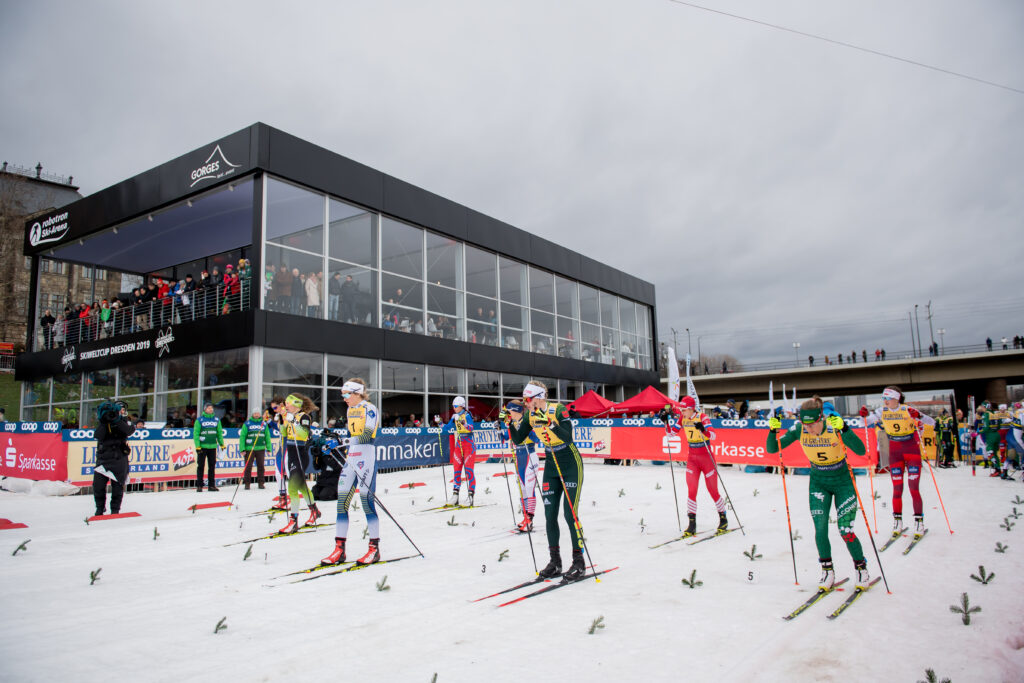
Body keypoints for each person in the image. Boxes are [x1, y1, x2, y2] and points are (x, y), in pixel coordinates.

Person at [767, 396, 871, 590]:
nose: (808, 430)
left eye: (812, 425)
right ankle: (827, 571)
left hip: (843, 482)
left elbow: (860, 449)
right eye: (805, 425)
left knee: (845, 530)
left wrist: (845, 429)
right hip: (818, 482)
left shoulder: (833, 426)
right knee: (820, 530)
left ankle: (861, 567)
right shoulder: (799, 429)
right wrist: (772, 430)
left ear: (820, 419)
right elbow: (772, 448)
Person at [506, 381, 588, 581]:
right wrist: (508, 422)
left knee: (570, 514)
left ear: (540, 397)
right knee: (550, 514)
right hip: (551, 463)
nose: (526, 403)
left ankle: (579, 562)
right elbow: (518, 439)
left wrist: (550, 423)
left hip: (570, 462)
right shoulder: (529, 415)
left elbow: (568, 436)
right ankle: (555, 562)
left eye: (528, 399)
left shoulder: (557, 409)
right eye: (525, 400)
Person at [860, 386, 935, 539]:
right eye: (884, 398)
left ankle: (919, 522)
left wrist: (919, 417)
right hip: (894, 452)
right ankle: (897, 522)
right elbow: (864, 423)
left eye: (888, 398)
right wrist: (863, 416)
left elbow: (931, 422)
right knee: (897, 489)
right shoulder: (882, 411)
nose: (885, 401)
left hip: (911, 450)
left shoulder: (907, 409)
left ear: (897, 398)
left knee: (914, 488)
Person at [321, 379, 382, 566]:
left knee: (366, 501)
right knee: (341, 504)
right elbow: (352, 436)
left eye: (347, 394)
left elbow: (367, 435)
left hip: (366, 457)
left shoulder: (369, 409)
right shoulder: (350, 410)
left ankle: (374, 549)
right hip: (352, 458)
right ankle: (339, 550)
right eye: (343, 395)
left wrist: (341, 443)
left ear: (357, 393)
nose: (344, 398)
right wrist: (337, 443)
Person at [666, 396, 727, 537]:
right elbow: (671, 434)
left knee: (713, 490)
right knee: (691, 490)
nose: (682, 412)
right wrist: (666, 423)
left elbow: (713, 436)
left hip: (706, 459)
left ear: (691, 408)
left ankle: (723, 518)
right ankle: (692, 524)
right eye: (681, 409)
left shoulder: (703, 417)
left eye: (684, 409)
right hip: (692, 459)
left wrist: (703, 429)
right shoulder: (682, 418)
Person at [277, 393, 321, 533]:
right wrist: (284, 421)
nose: (286, 406)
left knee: (292, 488)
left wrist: (293, 422)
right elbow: (284, 433)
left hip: (300, 454)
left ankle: (293, 521)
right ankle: (315, 511)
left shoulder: (304, 417)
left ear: (295, 405)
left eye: (287, 404)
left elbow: (303, 434)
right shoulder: (291, 417)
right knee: (302, 487)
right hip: (291, 454)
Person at [500, 400, 540, 532]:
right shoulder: (514, 422)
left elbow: (537, 438)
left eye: (509, 411)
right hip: (519, 457)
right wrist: (500, 429)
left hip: (529, 455)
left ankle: (530, 518)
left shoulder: (526, 422)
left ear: (515, 410)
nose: (508, 413)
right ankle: (525, 517)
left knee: (529, 487)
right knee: (522, 488)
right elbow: (506, 436)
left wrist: (530, 433)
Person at [92, 400, 135, 516]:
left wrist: (117, 420)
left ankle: (115, 510)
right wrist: (105, 422)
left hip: (119, 459)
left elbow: (129, 430)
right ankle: (100, 508)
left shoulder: (124, 422)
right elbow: (98, 436)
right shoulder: (103, 422)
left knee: (117, 487)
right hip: (103, 459)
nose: (120, 411)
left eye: (122, 409)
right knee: (98, 486)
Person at [443, 396, 476, 506]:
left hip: (468, 444)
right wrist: (439, 423)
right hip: (459, 443)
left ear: (462, 406)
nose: (454, 408)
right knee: (456, 469)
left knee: (469, 470)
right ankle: (455, 495)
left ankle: (471, 496)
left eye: (455, 406)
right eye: (453, 406)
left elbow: (471, 428)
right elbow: (447, 428)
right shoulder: (454, 416)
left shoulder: (467, 415)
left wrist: (462, 422)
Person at [192, 402, 225, 492]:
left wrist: (222, 444)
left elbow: (219, 433)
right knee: (201, 466)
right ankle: (199, 485)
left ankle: (211, 485)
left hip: (212, 446)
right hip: (202, 447)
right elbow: (196, 434)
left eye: (212, 408)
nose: (211, 409)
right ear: (205, 409)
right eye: (209, 408)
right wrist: (198, 446)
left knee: (212, 466)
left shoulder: (216, 420)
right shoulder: (199, 420)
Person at [239, 409, 271, 490]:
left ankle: (261, 483)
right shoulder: (247, 424)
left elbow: (267, 436)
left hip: (260, 448)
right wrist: (242, 449)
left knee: (261, 466)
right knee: (248, 466)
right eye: (255, 413)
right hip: (250, 448)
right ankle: (247, 483)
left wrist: (269, 448)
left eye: (258, 413)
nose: (256, 415)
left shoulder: (263, 424)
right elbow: (242, 437)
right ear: (252, 414)